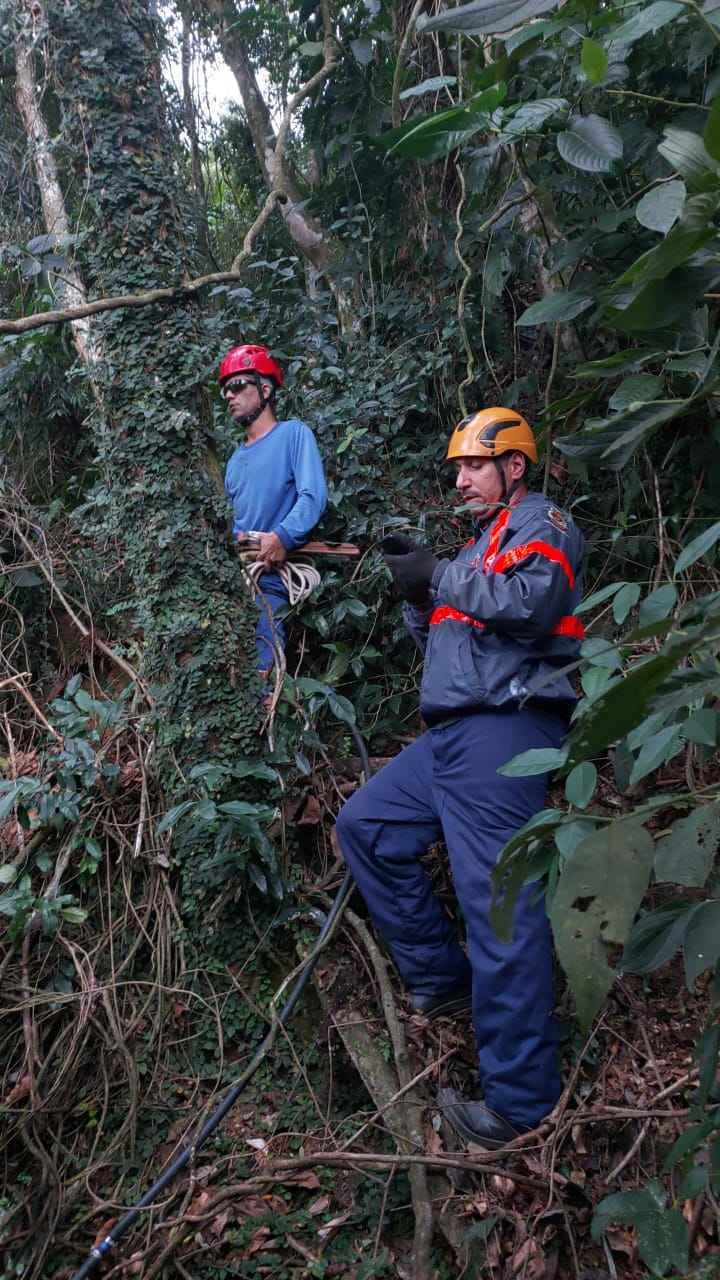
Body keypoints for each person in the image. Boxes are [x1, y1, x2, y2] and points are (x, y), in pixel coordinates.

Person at [335, 407, 585, 1148]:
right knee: (367, 827)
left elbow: (533, 604)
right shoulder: (478, 547)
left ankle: (520, 1103)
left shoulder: (543, 522)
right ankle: (445, 982)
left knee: (499, 906)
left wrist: (439, 575)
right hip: (447, 736)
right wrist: (421, 595)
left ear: (514, 465)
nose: (462, 480)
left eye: (475, 465)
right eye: (458, 469)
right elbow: (447, 643)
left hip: (506, 727)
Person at [221, 343, 328, 675]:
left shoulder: (294, 434)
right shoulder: (233, 461)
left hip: (271, 575)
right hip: (237, 574)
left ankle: (269, 695)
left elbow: (312, 496)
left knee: (261, 658)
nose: (229, 395)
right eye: (226, 390)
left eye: (238, 385)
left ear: (265, 389)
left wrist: (282, 536)